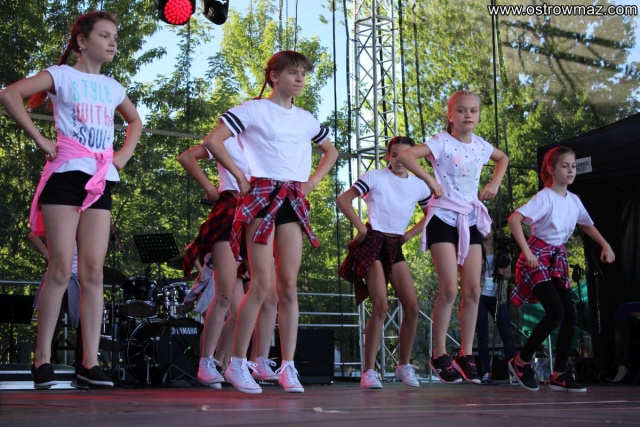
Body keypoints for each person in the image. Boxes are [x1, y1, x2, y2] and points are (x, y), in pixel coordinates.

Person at [0, 11, 142, 389]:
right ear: (82, 41)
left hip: (100, 178)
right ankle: (42, 359)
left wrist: (121, 157)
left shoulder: (112, 86)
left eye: (115, 37)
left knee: (93, 271)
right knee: (62, 268)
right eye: (104, 35)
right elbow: (9, 94)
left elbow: (135, 122)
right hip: (65, 175)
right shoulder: (61, 75)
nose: (112, 42)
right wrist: (40, 139)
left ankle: (88, 362)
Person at [202, 50, 338, 394]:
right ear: (274, 76)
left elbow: (332, 151)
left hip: (293, 197)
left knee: (288, 284)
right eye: (293, 72)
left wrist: (311, 182)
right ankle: (236, 363)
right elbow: (212, 141)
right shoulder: (253, 109)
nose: (300, 79)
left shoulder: (306, 118)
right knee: (261, 283)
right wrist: (240, 176)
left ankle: (287, 366)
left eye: (303, 74)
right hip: (261, 195)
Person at [397, 90, 508, 384]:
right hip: (443, 218)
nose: (468, 115)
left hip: (469, 219)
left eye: (473, 110)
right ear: (450, 115)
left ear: (479, 114)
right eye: (461, 110)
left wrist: (495, 183)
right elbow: (406, 155)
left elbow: (503, 158)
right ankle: (439, 354)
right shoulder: (442, 142)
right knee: (449, 288)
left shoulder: (482, 146)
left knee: (473, 290)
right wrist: (430, 180)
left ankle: (466, 354)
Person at [507, 146, 615, 393]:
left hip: (556, 258)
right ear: (551, 169)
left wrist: (605, 244)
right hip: (536, 255)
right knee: (556, 312)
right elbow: (514, 219)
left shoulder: (574, 200)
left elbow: (587, 224)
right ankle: (521, 362)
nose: (571, 171)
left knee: (569, 315)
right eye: (565, 166)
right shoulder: (545, 197)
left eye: (573, 166)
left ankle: (559, 374)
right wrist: (526, 251)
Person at [178, 136, 279, 389]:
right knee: (223, 293)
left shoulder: (266, 141)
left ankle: (241, 363)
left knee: (256, 300)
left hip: (256, 215)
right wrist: (211, 189)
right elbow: (187, 157)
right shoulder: (227, 140)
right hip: (230, 211)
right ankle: (205, 362)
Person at [336, 136, 435, 389]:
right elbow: (343, 200)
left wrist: (408, 236)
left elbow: (432, 214)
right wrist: (361, 229)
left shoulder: (420, 185)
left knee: (412, 307)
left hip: (395, 245)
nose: (399, 160)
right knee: (380, 305)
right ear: (387, 156)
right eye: (394, 155)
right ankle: (368, 371)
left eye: (405, 155)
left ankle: (403, 366)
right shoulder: (375, 177)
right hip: (373, 241)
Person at [28, 232, 86, 389]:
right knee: (51, 325)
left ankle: (81, 371)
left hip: (80, 278)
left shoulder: (89, 223)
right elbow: (32, 234)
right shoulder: (60, 219)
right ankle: (42, 365)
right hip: (58, 278)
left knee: (85, 326)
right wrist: (47, 254)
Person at [475, 224, 517, 384]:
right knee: (483, 334)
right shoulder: (476, 249)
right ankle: (485, 372)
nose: (484, 231)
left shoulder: (502, 249)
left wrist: (503, 273)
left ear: (493, 230)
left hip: (498, 296)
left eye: (487, 227)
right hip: (480, 295)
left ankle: (515, 371)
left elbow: (509, 274)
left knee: (507, 332)